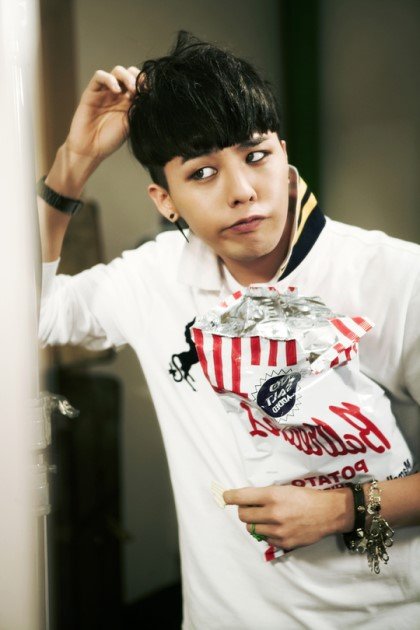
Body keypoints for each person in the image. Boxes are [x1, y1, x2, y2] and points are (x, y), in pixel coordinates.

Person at [38, 31, 420, 629]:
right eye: (203, 172)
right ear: (165, 200)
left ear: (284, 155)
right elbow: (24, 315)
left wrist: (345, 509)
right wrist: (73, 164)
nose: (242, 192)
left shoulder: (391, 275)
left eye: (256, 156)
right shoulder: (155, 277)